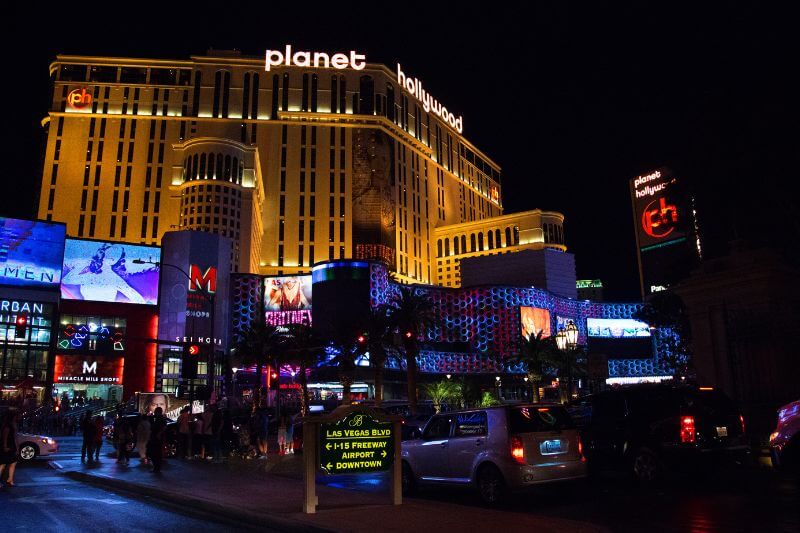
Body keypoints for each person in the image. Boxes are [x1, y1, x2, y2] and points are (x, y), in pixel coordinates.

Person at [0, 410, 19, 487]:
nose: (17, 417)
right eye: (16, 416)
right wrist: (5, 446)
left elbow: (15, 436)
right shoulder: (8, 425)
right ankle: (9, 480)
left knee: (13, 462)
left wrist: (17, 447)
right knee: (3, 464)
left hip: (12, 446)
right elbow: (5, 436)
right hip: (7, 446)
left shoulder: (12, 424)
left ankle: (10, 479)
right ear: (13, 417)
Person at [148, 407, 167, 473]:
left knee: (155, 453)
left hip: (156, 438)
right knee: (155, 453)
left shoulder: (161, 419)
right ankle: (156, 468)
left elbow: (164, 427)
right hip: (155, 437)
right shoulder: (158, 418)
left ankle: (157, 468)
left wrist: (159, 433)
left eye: (156, 411)